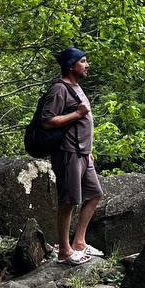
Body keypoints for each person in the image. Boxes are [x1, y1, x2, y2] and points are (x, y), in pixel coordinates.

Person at [42, 46, 103, 264]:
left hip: (83, 153)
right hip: (68, 152)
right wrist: (77, 113)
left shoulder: (75, 87)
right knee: (68, 200)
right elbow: (47, 120)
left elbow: (84, 123)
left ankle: (79, 242)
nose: (87, 65)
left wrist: (89, 149)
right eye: (83, 61)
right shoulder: (59, 89)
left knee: (94, 194)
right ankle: (64, 251)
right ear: (71, 65)